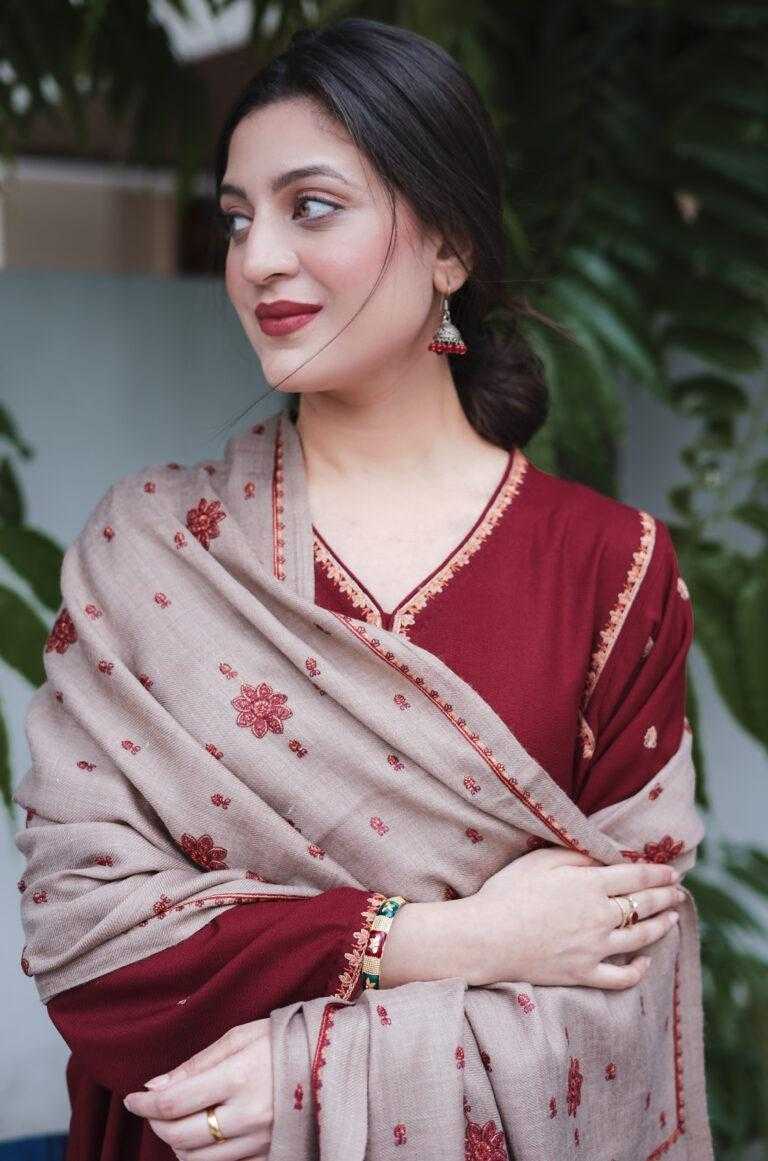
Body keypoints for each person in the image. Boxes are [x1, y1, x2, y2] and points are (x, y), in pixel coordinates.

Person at [14, 17, 713, 1161]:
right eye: (237, 218)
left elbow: (621, 978)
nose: (258, 258)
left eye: (312, 207)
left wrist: (311, 1071)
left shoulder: (607, 567)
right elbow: (92, 946)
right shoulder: (152, 548)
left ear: (449, 248)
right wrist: (451, 939)